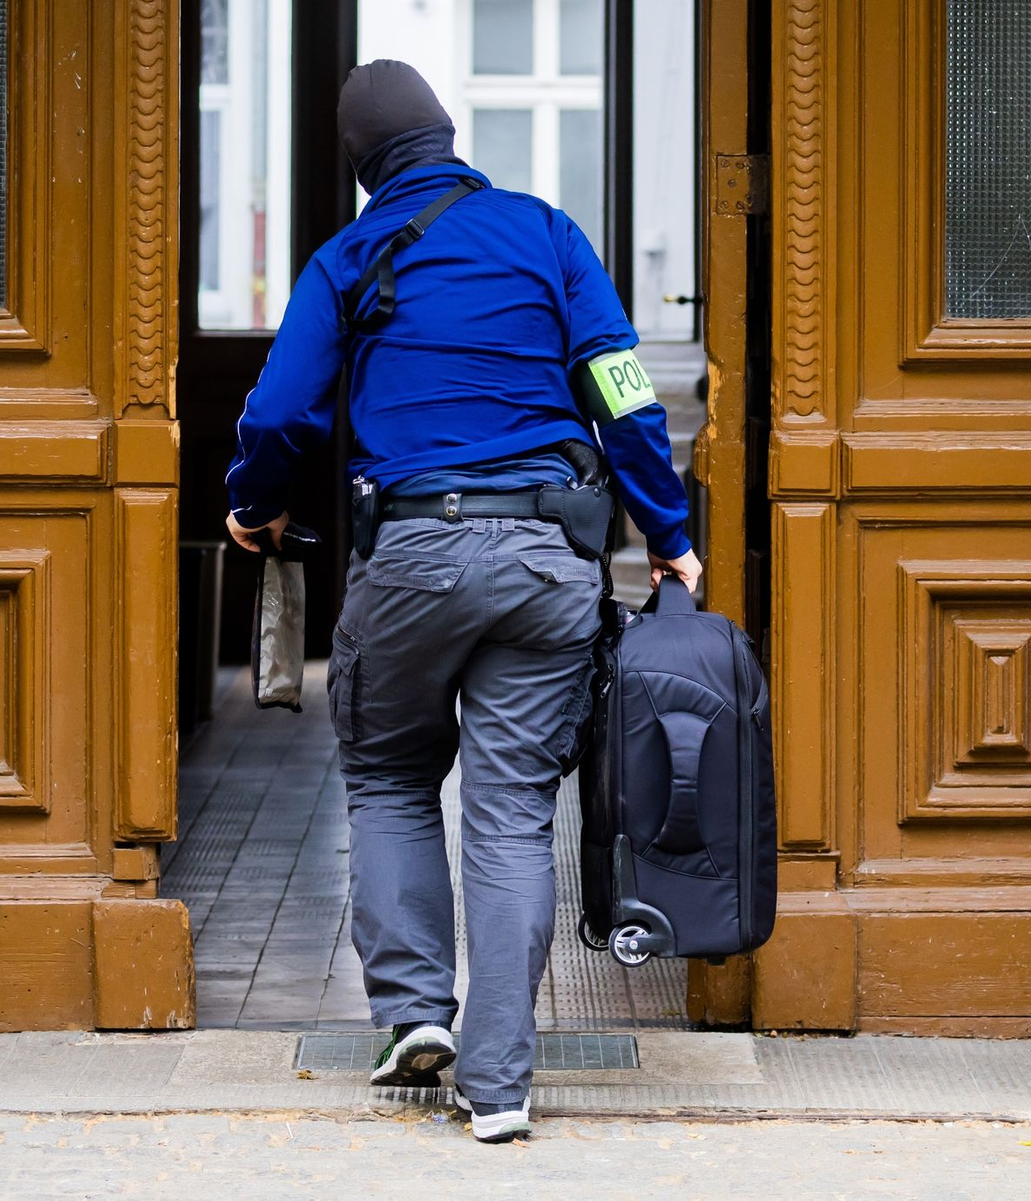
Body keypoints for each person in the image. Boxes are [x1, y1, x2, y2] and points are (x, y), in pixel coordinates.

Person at [225, 60, 701, 1143]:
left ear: (361, 169)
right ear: (447, 139)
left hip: (410, 559)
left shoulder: (349, 257)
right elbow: (620, 386)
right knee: (511, 814)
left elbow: (284, 406)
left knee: (391, 776)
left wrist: (251, 503)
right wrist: (668, 536)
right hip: (546, 561)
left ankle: (409, 1017)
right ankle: (502, 1085)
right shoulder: (543, 231)